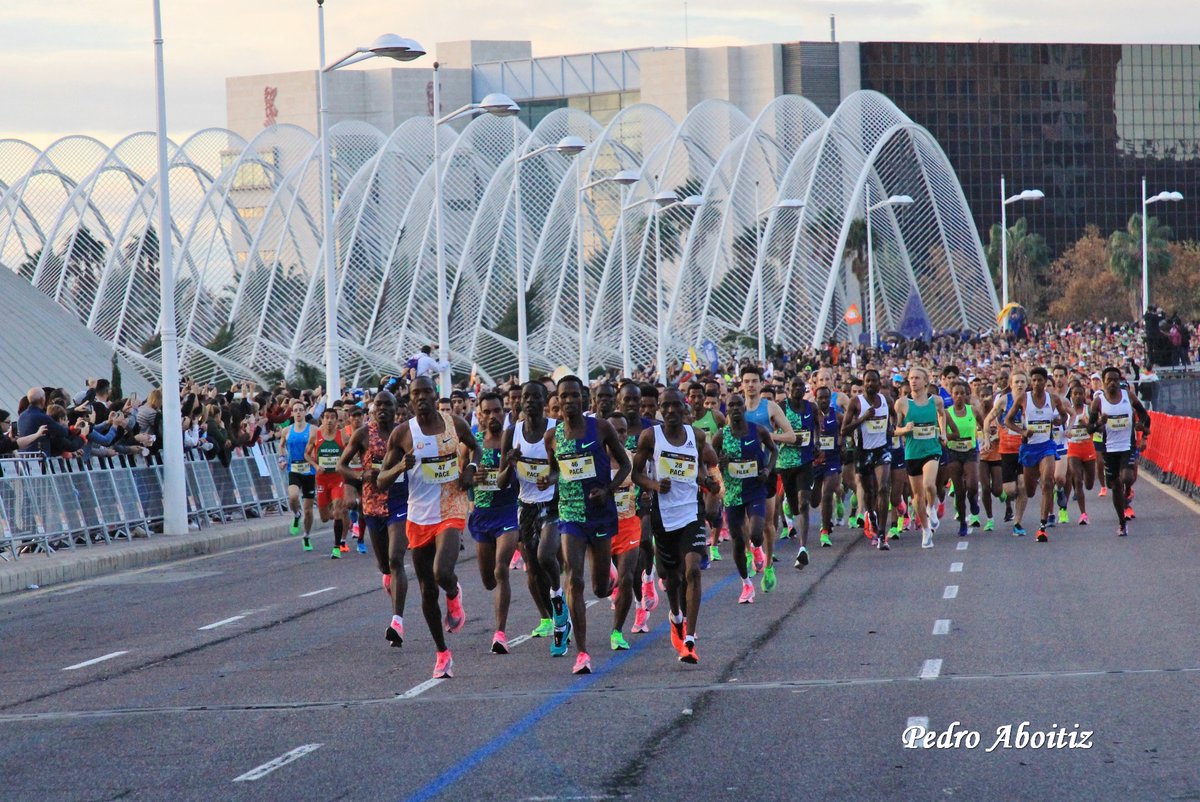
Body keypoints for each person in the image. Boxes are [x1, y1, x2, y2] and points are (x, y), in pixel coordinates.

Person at [381, 376, 478, 679]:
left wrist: (471, 469)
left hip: (451, 506)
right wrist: (400, 467)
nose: (421, 397)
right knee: (426, 590)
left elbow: (475, 449)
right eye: (415, 393)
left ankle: (453, 591)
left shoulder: (455, 424)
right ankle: (442, 653)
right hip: (418, 516)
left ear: (436, 395)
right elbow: (381, 479)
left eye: (426, 392)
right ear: (409, 400)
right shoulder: (402, 434)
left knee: (442, 572)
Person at [546, 375, 631, 674]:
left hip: (600, 512)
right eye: (563, 397)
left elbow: (627, 465)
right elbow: (557, 471)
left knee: (599, 589)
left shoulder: (602, 428)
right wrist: (549, 479)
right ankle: (582, 653)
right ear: (556, 402)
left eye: (573, 396)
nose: (568, 401)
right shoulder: (553, 436)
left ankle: (609, 573)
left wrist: (607, 490)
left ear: (583, 398)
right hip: (570, 514)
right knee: (575, 580)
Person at [632, 387, 718, 664]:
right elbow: (635, 473)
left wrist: (706, 481)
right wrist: (655, 484)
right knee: (672, 578)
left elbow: (701, 467)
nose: (670, 411)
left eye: (675, 405)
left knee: (692, 570)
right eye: (664, 406)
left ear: (685, 408)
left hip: (691, 512)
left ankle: (690, 641)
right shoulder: (650, 437)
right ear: (659, 408)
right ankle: (676, 617)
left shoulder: (697, 435)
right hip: (662, 515)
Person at [339, 392, 408, 647]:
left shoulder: (405, 433)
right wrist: (361, 478)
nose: (382, 409)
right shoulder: (363, 434)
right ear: (372, 408)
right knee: (385, 566)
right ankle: (389, 580)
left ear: (395, 408)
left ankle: (397, 621)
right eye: (378, 404)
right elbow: (341, 465)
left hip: (400, 502)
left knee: (396, 558)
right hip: (372, 505)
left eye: (388, 404)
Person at [501, 380, 559, 644]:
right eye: (526, 397)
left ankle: (560, 601)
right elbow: (501, 481)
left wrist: (551, 477)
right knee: (533, 568)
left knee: (546, 556)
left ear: (545, 400)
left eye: (536, 397)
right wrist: (510, 463)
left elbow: (562, 469)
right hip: (525, 506)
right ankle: (549, 617)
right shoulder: (512, 433)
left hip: (552, 503)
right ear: (520, 401)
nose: (530, 401)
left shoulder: (555, 429)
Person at [468, 392, 521, 654]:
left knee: (501, 569)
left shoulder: (513, 441)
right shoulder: (474, 443)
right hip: (482, 515)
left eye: (497, 410)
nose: (492, 416)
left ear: (505, 412)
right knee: (489, 580)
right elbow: (459, 479)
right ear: (479, 414)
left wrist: (513, 465)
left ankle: (500, 633)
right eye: (487, 411)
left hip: (508, 512)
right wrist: (471, 477)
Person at [713, 393, 776, 601]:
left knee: (757, 533)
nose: (735, 408)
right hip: (732, 493)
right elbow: (710, 461)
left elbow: (773, 450)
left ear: (743, 407)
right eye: (731, 405)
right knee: (738, 541)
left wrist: (767, 470)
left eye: (738, 404)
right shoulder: (721, 436)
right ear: (727, 410)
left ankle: (758, 549)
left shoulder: (757, 430)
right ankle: (746, 584)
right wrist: (718, 468)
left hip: (755, 489)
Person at [739, 365, 796, 592]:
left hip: (766, 470)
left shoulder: (770, 407)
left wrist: (767, 436)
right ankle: (750, 552)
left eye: (755, 381)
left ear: (761, 384)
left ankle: (769, 565)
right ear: (741, 384)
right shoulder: (737, 408)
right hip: (742, 471)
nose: (751, 385)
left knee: (767, 523)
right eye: (747, 381)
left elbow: (791, 436)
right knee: (743, 519)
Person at [1005, 367, 1072, 542]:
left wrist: (1059, 421)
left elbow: (1064, 417)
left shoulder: (1053, 399)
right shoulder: (1023, 398)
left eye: (1039, 380)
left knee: (1048, 482)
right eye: (1033, 380)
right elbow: (1008, 420)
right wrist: (1022, 431)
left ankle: (1042, 527)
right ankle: (1038, 501)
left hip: (1047, 446)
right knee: (1030, 490)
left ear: (1044, 381)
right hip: (1029, 449)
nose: (1036, 383)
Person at [1088, 367, 1151, 537]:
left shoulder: (1128, 396)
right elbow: (1089, 428)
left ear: (1119, 381)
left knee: (1127, 477)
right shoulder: (1098, 402)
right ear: (1103, 382)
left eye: (1116, 379)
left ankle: (1128, 489)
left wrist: (1143, 432)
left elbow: (1145, 416)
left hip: (1127, 446)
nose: (1112, 383)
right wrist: (1100, 422)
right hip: (1109, 449)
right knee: (1114, 485)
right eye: (1109, 380)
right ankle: (1122, 522)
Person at [894, 367, 946, 549]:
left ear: (926, 381)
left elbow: (942, 415)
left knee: (928, 484)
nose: (913, 381)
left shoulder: (936, 401)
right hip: (912, 453)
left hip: (932, 449)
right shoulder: (901, 403)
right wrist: (904, 430)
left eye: (917, 378)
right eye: (911, 378)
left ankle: (932, 507)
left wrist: (943, 433)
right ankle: (925, 530)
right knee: (917, 496)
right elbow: (894, 429)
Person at [843, 369, 893, 549]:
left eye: (874, 381)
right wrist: (863, 418)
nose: (870, 384)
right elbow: (844, 430)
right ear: (864, 384)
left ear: (879, 383)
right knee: (869, 492)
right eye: (867, 381)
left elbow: (892, 418)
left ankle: (881, 533)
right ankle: (871, 514)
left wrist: (891, 428)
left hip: (882, 450)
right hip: (863, 452)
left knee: (884, 487)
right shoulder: (856, 402)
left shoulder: (886, 401)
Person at [605, 412, 642, 650]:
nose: (619, 435)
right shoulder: (595, 459)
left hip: (628, 524)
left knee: (627, 578)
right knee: (603, 585)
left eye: (622, 431)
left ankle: (617, 632)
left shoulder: (632, 458)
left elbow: (644, 479)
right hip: (600, 528)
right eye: (614, 431)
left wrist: (649, 491)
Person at [777, 376, 818, 565]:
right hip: (785, 463)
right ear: (788, 388)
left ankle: (803, 547)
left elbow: (817, 426)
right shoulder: (781, 408)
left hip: (805, 461)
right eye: (794, 385)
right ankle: (788, 507)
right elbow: (773, 434)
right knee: (794, 507)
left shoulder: (811, 407)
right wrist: (791, 439)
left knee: (803, 504)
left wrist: (816, 442)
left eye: (801, 385)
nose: (798, 388)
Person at [943, 380, 984, 537]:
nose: (959, 396)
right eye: (956, 393)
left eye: (962, 393)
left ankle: (973, 500)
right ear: (952, 396)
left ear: (967, 395)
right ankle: (962, 523)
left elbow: (983, 425)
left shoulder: (972, 411)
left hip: (970, 451)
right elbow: (941, 431)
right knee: (959, 491)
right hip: (953, 452)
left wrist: (985, 438)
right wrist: (945, 438)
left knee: (972, 485)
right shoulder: (946, 413)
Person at [305, 406, 347, 557]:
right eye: (326, 417)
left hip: (337, 479)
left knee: (337, 510)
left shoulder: (343, 437)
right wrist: (316, 466)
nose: (329, 420)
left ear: (336, 421)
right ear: (322, 420)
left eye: (332, 418)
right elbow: (307, 454)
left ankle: (336, 547)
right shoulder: (316, 436)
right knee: (324, 518)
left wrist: (343, 465)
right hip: (322, 479)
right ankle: (336, 515)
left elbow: (351, 453)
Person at [277, 400, 316, 550]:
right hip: (294, 469)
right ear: (292, 413)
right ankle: (296, 514)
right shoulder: (286, 430)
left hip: (309, 471)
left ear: (305, 412)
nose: (298, 412)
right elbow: (281, 446)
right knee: (292, 496)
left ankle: (306, 536)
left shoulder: (313, 430)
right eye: (295, 410)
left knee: (309, 509)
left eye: (301, 410)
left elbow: (319, 445)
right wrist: (282, 459)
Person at [812, 386, 843, 544]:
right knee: (814, 500)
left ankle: (824, 531)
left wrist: (843, 442)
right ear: (815, 398)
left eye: (826, 398)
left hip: (832, 459)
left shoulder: (836, 416)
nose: (823, 400)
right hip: (815, 461)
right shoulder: (811, 416)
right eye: (820, 398)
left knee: (827, 493)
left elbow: (846, 430)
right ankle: (835, 504)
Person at [1064, 383, 1096, 525]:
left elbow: (1097, 429)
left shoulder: (1088, 410)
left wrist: (1087, 425)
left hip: (1088, 448)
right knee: (1077, 480)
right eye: (1075, 394)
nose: (1077, 396)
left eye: (1080, 394)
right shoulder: (1066, 412)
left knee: (1089, 484)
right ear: (1071, 396)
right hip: (1073, 449)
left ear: (1084, 395)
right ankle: (1083, 514)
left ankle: (1081, 481)